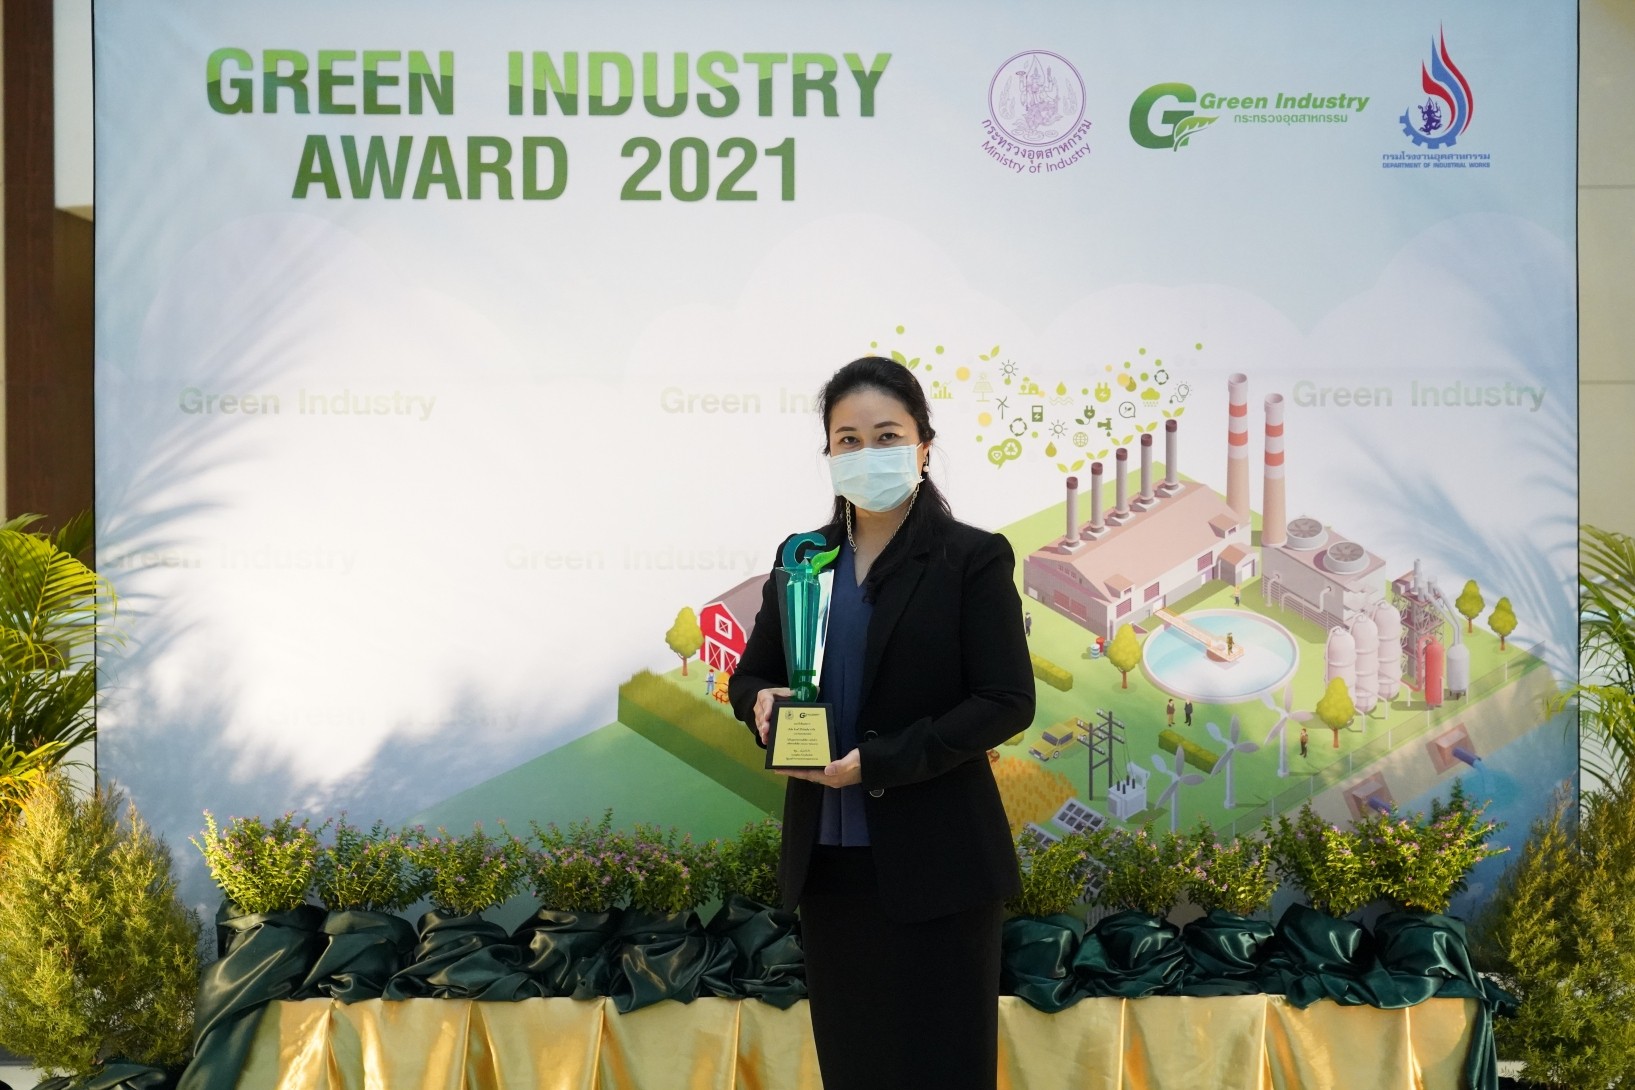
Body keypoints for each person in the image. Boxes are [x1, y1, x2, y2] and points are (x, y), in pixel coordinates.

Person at [730, 356, 1034, 1090]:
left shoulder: (969, 558)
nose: (867, 453)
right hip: (830, 868)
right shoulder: (803, 560)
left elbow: (1005, 699)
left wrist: (880, 761)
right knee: (855, 1065)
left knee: (943, 1067)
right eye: (849, 440)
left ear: (923, 446)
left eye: (887, 435)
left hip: (940, 863)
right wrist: (760, 702)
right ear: (829, 453)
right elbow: (751, 675)